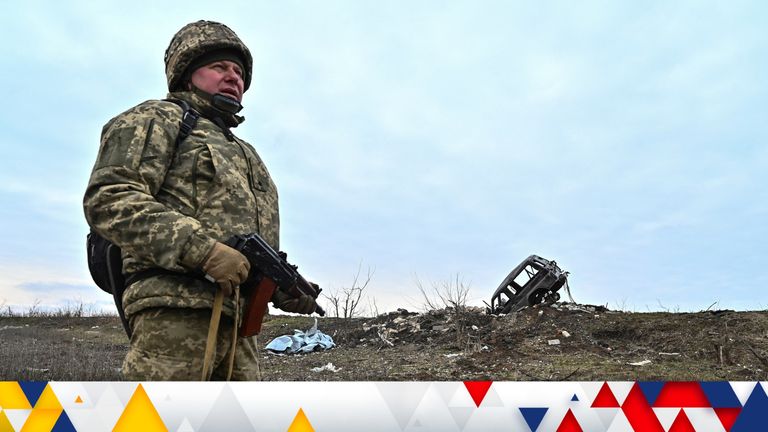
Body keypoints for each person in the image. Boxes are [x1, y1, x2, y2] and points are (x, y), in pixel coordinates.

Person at [83, 20, 317, 380]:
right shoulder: (158, 119)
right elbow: (110, 199)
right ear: (187, 73)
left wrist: (279, 289)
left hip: (240, 333)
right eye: (219, 67)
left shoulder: (247, 153)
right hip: (175, 318)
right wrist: (202, 250)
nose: (233, 77)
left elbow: (252, 250)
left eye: (238, 71)